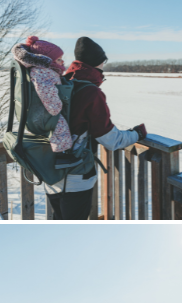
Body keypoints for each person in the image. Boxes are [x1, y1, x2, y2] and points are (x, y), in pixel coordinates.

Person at [46, 37, 148, 220]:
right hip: (75, 178)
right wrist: (137, 134)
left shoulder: (61, 82)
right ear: (97, 63)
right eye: (103, 61)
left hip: (50, 173)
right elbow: (111, 140)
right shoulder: (91, 92)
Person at [12, 36, 80, 169]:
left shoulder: (42, 70)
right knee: (61, 126)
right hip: (45, 112)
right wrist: (56, 108)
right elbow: (46, 91)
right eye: (59, 59)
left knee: (59, 127)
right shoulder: (43, 72)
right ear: (47, 60)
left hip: (38, 111)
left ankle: (62, 153)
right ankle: (62, 157)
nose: (62, 62)